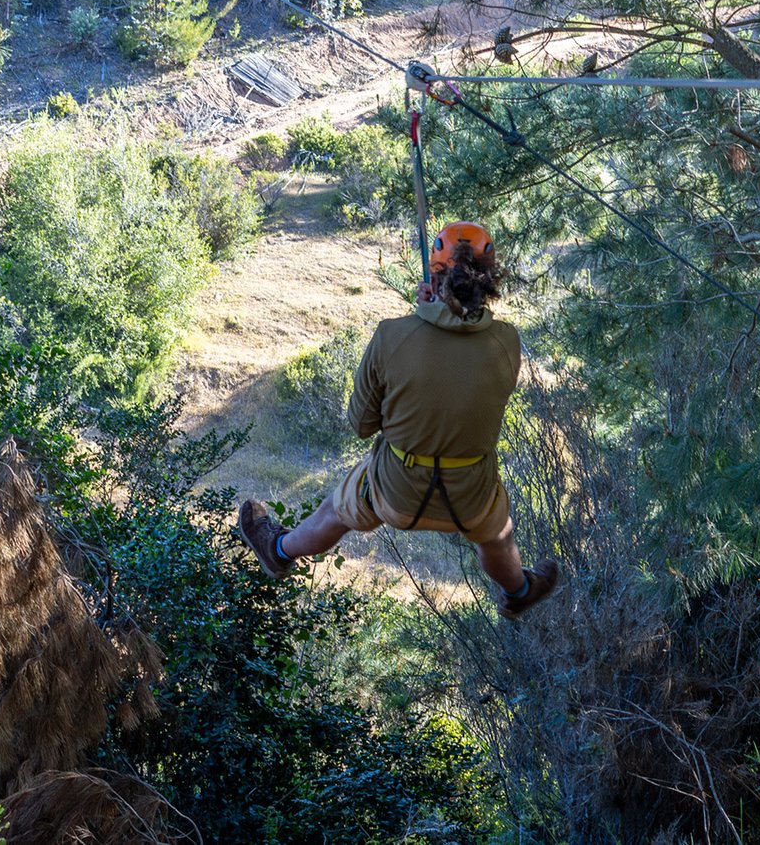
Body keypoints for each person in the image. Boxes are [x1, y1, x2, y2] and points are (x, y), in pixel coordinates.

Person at [237, 221, 560, 618]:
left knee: (337, 511)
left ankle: (278, 550)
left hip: (396, 495)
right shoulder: (507, 341)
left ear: (435, 274)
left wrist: (420, 316)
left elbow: (361, 425)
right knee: (496, 536)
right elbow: (457, 371)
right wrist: (436, 313)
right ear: (489, 280)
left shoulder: (393, 336)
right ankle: (520, 590)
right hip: (471, 497)